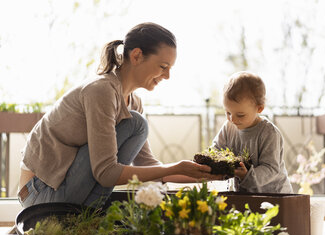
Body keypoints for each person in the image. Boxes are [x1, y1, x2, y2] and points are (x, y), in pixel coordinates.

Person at [18, 22, 219, 208]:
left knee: (135, 122)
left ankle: (87, 218)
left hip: (68, 191)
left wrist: (211, 174)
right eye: (163, 67)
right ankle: (76, 217)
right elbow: (106, 173)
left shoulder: (133, 102)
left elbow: (149, 165)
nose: (167, 76)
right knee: (136, 123)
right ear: (137, 56)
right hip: (41, 194)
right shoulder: (102, 90)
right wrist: (173, 168)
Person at [211, 71, 293, 193]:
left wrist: (247, 175)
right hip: (247, 194)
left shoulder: (269, 133)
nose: (232, 119)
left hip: (275, 196)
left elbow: (271, 168)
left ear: (259, 108)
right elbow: (216, 149)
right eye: (228, 113)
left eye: (240, 115)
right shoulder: (229, 127)